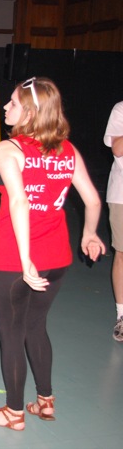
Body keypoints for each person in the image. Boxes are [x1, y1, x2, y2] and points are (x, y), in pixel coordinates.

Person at [0, 77, 105, 430]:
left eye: (13, 103)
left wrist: (25, 259)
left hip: (16, 259)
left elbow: (19, 201)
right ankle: (45, 401)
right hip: (57, 257)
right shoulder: (67, 150)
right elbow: (92, 200)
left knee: (11, 332)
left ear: (29, 113)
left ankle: (13, 412)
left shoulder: (8, 149)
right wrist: (89, 234)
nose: (5, 108)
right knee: (35, 325)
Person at [103, 100, 123, 342]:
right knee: (122, 253)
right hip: (121, 196)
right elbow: (117, 149)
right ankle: (122, 315)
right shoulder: (120, 109)